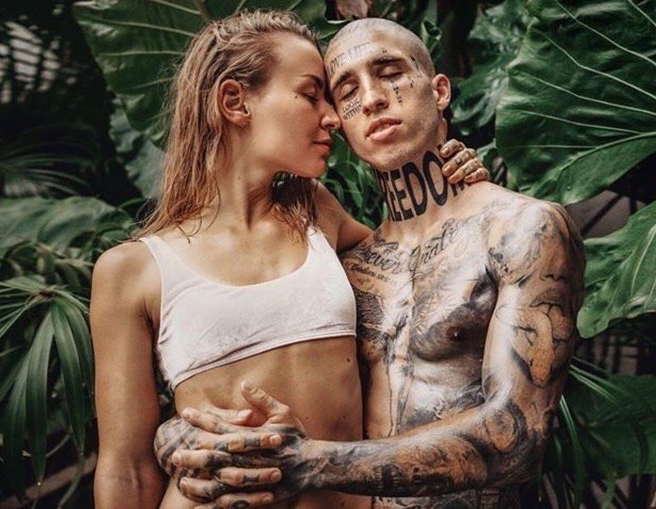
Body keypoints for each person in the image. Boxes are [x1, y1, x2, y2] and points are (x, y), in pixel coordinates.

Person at [162, 17, 586, 509]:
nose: (371, 98)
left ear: (440, 90)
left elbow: (517, 438)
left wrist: (311, 463)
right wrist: (178, 432)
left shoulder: (523, 229)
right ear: (339, 124)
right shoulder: (345, 268)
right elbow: (271, 379)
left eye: (390, 74)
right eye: (346, 91)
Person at [88, 11, 487, 509]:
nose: (333, 117)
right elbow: (125, 469)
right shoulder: (133, 270)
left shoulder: (317, 215)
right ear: (236, 102)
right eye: (310, 94)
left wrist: (461, 189)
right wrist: (171, 433)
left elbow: (423, 270)